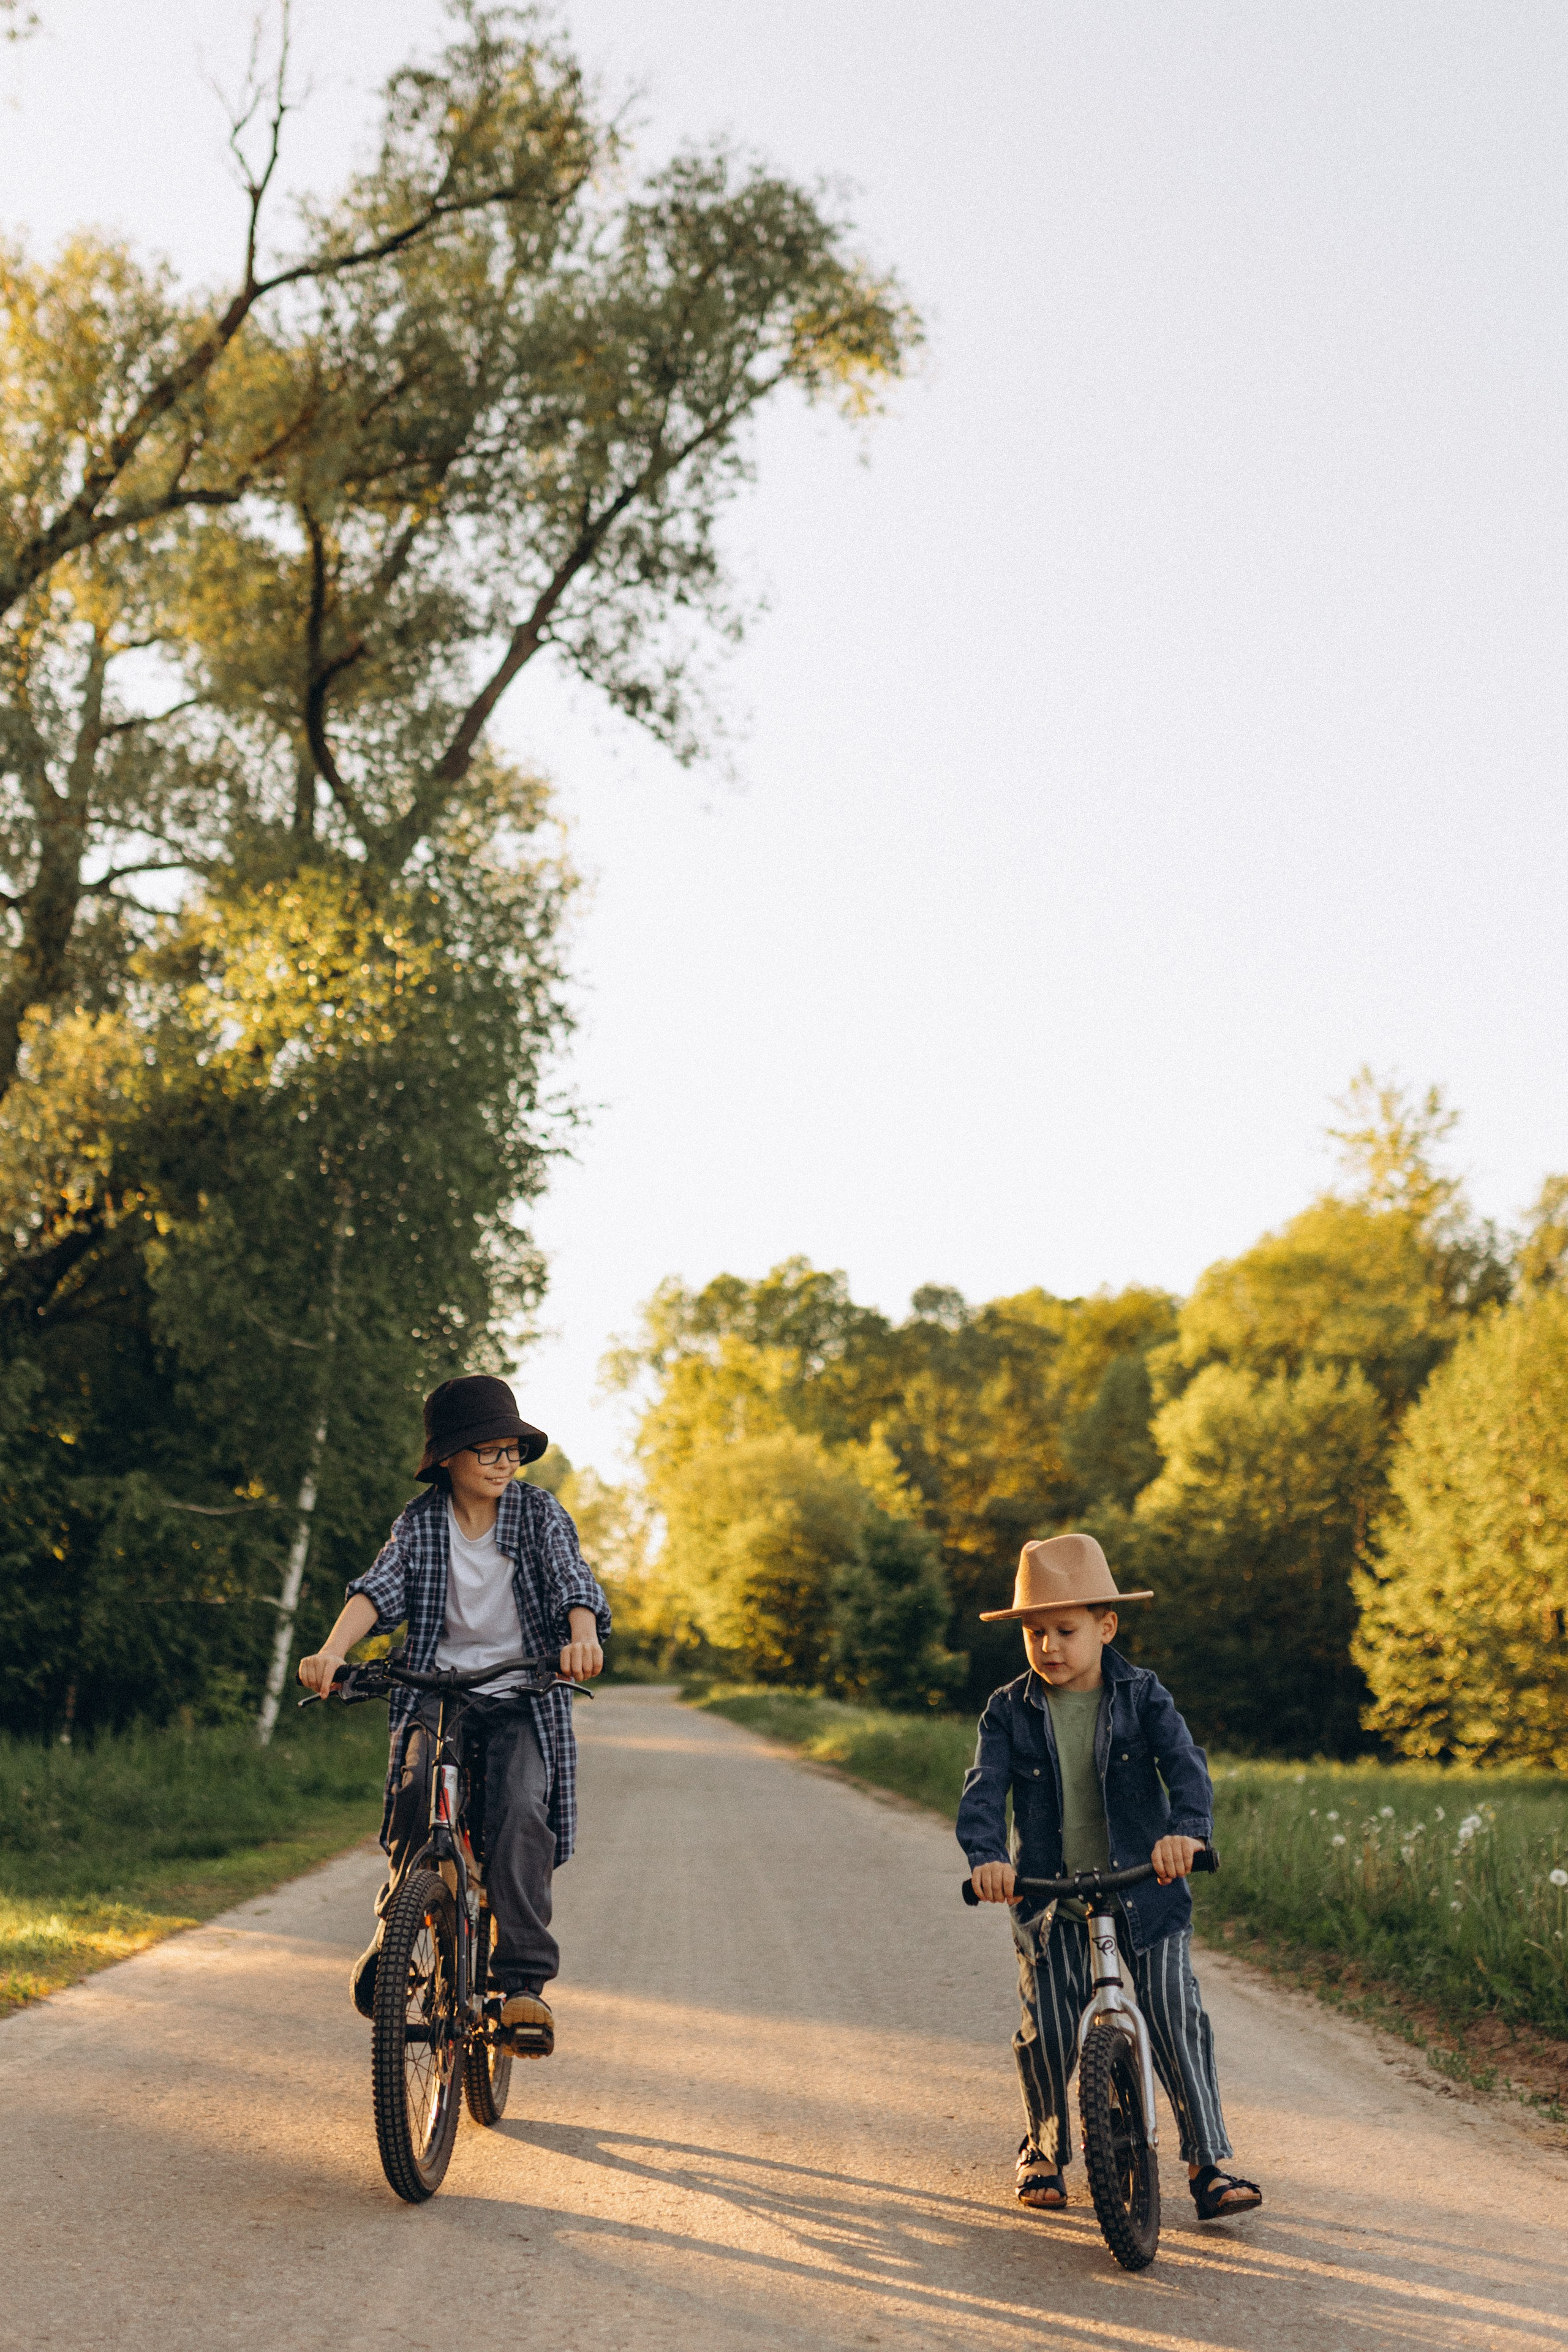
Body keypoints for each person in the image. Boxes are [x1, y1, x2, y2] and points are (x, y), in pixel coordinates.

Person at [297, 1374, 610, 2056]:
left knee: (521, 1808)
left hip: (522, 1692)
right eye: (488, 1450)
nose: (504, 1463)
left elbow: (573, 1580)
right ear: (447, 1457)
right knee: (414, 1796)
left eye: (512, 1451)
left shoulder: (538, 1513)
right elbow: (378, 1589)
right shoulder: (420, 1523)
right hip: (436, 1692)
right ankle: (396, 1932)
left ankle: (523, 1984)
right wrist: (331, 1652)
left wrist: (581, 1636)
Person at [956, 1532, 1262, 2222]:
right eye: (1034, 1633)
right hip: (1052, 1896)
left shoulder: (1142, 1695)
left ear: (1106, 1626)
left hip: (1145, 1888)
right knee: (1048, 2026)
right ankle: (1043, 2147)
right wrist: (987, 1860)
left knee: (1175, 2013)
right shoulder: (1007, 1709)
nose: (1048, 1647)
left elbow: (1185, 1766)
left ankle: (1207, 2163)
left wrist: (1187, 1833)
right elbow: (984, 1791)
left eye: (1065, 1630)